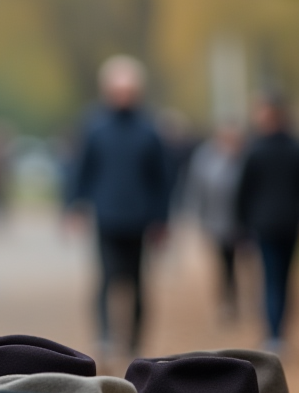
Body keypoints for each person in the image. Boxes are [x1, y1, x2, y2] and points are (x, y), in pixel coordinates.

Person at [66, 55, 169, 362]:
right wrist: (73, 205)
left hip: (140, 219)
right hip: (107, 216)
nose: (123, 94)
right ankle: (105, 336)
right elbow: (82, 170)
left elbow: (160, 178)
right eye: (118, 88)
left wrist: (162, 219)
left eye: (129, 88)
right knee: (106, 279)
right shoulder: (94, 127)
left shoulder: (149, 130)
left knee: (138, 282)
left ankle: (135, 341)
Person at [235, 95, 299, 354]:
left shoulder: (255, 151)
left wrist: (242, 225)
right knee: (284, 279)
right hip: (290, 222)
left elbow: (243, 192)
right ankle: (279, 331)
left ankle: (274, 333)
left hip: (265, 223)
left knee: (271, 278)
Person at [186, 124, 246, 322]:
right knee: (223, 264)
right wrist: (201, 217)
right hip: (216, 221)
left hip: (242, 221)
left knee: (242, 263)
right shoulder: (205, 159)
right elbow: (199, 188)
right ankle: (226, 302)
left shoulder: (244, 157)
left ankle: (241, 300)